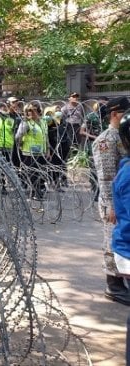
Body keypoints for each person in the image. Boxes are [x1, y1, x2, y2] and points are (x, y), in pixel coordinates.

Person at [92, 97, 130, 305]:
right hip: (114, 201)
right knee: (111, 240)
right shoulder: (106, 140)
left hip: (125, 198)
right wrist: (111, 206)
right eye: (125, 112)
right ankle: (113, 286)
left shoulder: (123, 136)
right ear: (115, 114)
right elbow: (106, 176)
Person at [16, 103, 48, 200]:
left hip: (41, 152)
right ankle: (36, 193)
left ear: (38, 111)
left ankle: (37, 192)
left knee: (40, 173)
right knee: (33, 174)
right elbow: (18, 136)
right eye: (28, 111)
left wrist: (48, 150)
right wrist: (20, 145)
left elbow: (45, 137)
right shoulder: (26, 123)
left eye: (33, 110)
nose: (30, 113)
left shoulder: (43, 122)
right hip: (29, 153)